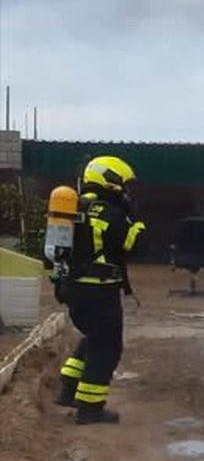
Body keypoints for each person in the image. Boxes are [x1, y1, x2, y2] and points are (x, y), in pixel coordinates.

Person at [55, 156, 146, 424]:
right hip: (100, 292)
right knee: (107, 347)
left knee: (94, 338)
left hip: (72, 289)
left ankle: (67, 389)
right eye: (124, 185)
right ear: (110, 182)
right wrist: (136, 219)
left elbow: (52, 254)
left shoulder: (74, 208)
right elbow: (138, 246)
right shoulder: (111, 214)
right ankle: (90, 409)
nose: (127, 191)